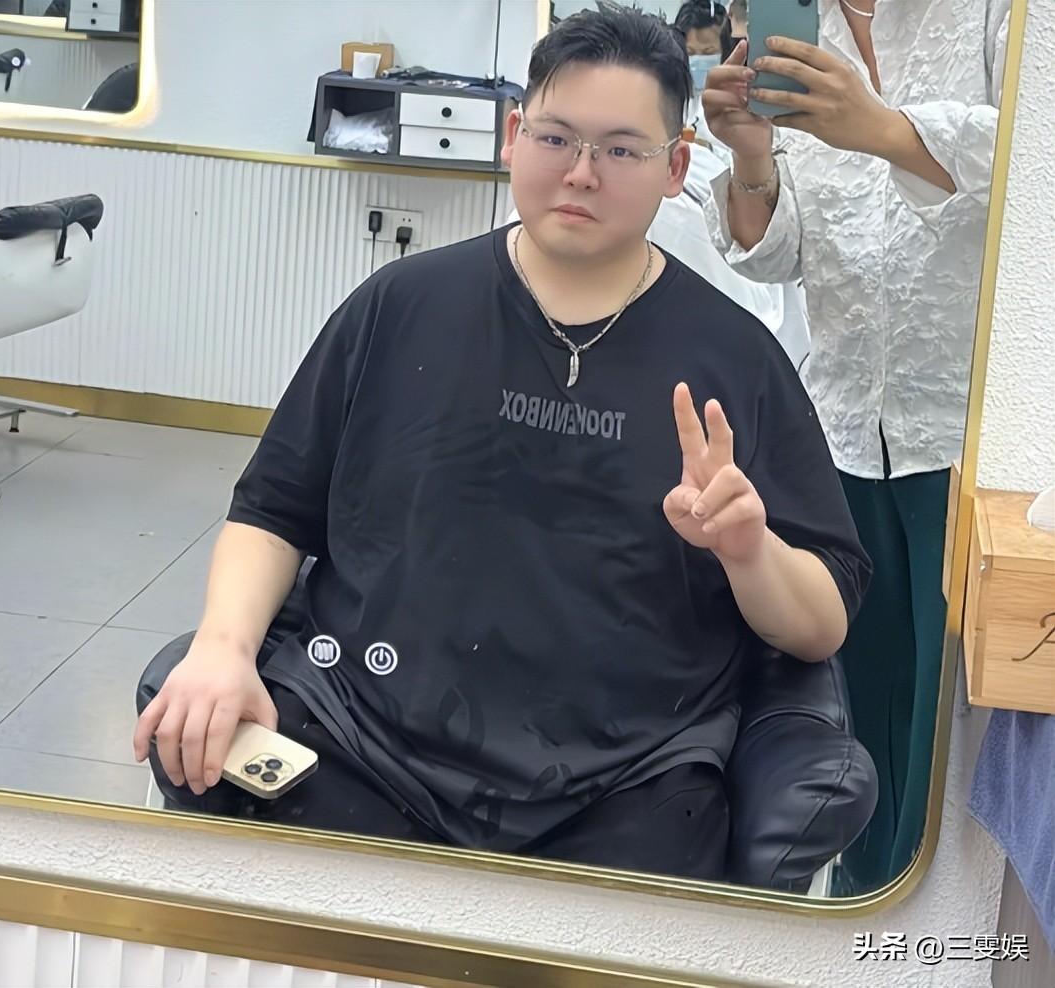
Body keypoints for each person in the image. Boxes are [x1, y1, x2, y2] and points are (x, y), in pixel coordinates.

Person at [133, 7, 870, 881]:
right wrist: (222, 648)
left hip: (625, 781)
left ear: (675, 167)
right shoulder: (399, 307)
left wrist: (748, 551)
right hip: (362, 734)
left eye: (622, 150)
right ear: (514, 136)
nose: (581, 173)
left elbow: (821, 625)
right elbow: (273, 508)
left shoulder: (736, 360)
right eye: (556, 138)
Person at [701, 0, 1011, 893]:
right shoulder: (806, 29)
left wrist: (885, 129)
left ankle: (946, 926)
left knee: (954, 736)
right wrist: (751, 159)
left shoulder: (1006, 14)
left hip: (971, 439)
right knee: (842, 718)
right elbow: (777, 254)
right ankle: (857, 913)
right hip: (837, 435)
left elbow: (1037, 168)